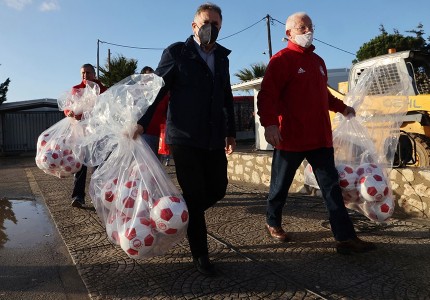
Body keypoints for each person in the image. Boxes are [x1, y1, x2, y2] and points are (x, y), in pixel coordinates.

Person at [257, 12, 376, 254]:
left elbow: (324, 95)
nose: (308, 31)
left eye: (310, 26)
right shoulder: (281, 60)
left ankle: (344, 238)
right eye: (302, 27)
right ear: (289, 33)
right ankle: (273, 221)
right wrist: (269, 124)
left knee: (332, 188)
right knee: (280, 186)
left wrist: (343, 108)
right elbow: (267, 95)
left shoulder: (318, 62)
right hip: (290, 139)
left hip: (320, 139)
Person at [133, 3, 236, 276]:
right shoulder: (177, 52)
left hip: (213, 138)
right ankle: (201, 255)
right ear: (194, 26)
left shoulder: (223, 58)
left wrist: (231, 132)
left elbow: (226, 96)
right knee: (194, 192)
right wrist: (142, 123)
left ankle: (176, 214)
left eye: (215, 24)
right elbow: (157, 89)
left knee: (218, 189)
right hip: (185, 137)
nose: (210, 28)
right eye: (205, 22)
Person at [65, 64, 107, 208]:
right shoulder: (76, 89)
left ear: (94, 74)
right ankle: (78, 197)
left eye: (88, 73)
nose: (85, 75)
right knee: (80, 166)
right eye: (83, 73)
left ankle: (99, 198)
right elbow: (68, 106)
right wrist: (69, 113)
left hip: (98, 134)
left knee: (98, 167)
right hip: (81, 133)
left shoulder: (102, 88)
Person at [140, 66, 169, 159]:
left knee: (158, 164)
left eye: (152, 77)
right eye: (147, 77)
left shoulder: (163, 95)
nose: (150, 80)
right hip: (145, 133)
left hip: (161, 134)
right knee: (147, 163)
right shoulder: (139, 95)